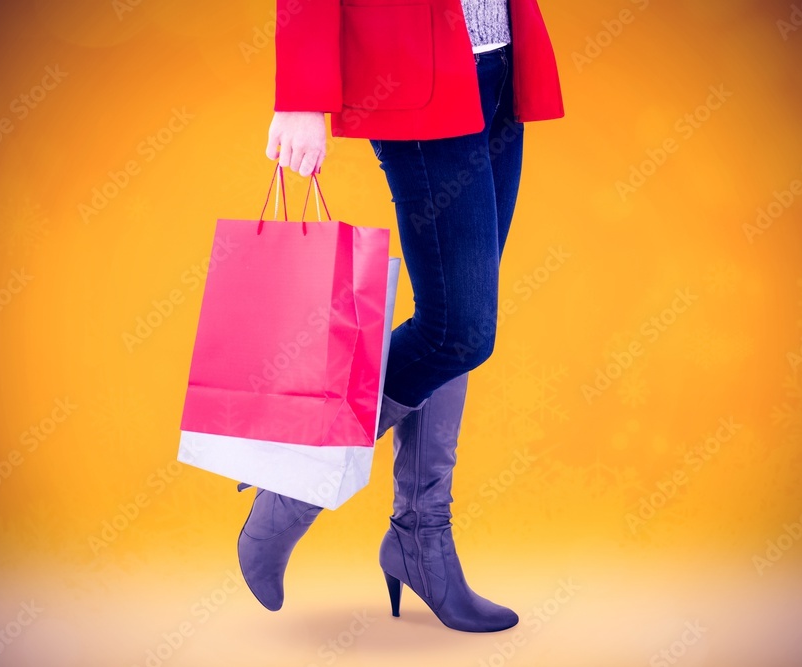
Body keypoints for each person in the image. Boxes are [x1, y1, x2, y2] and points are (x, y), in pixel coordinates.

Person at [237, 0, 563, 633]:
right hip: (415, 73)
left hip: (497, 64)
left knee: (457, 320)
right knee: (457, 331)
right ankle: (297, 485)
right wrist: (300, 95)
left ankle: (421, 537)